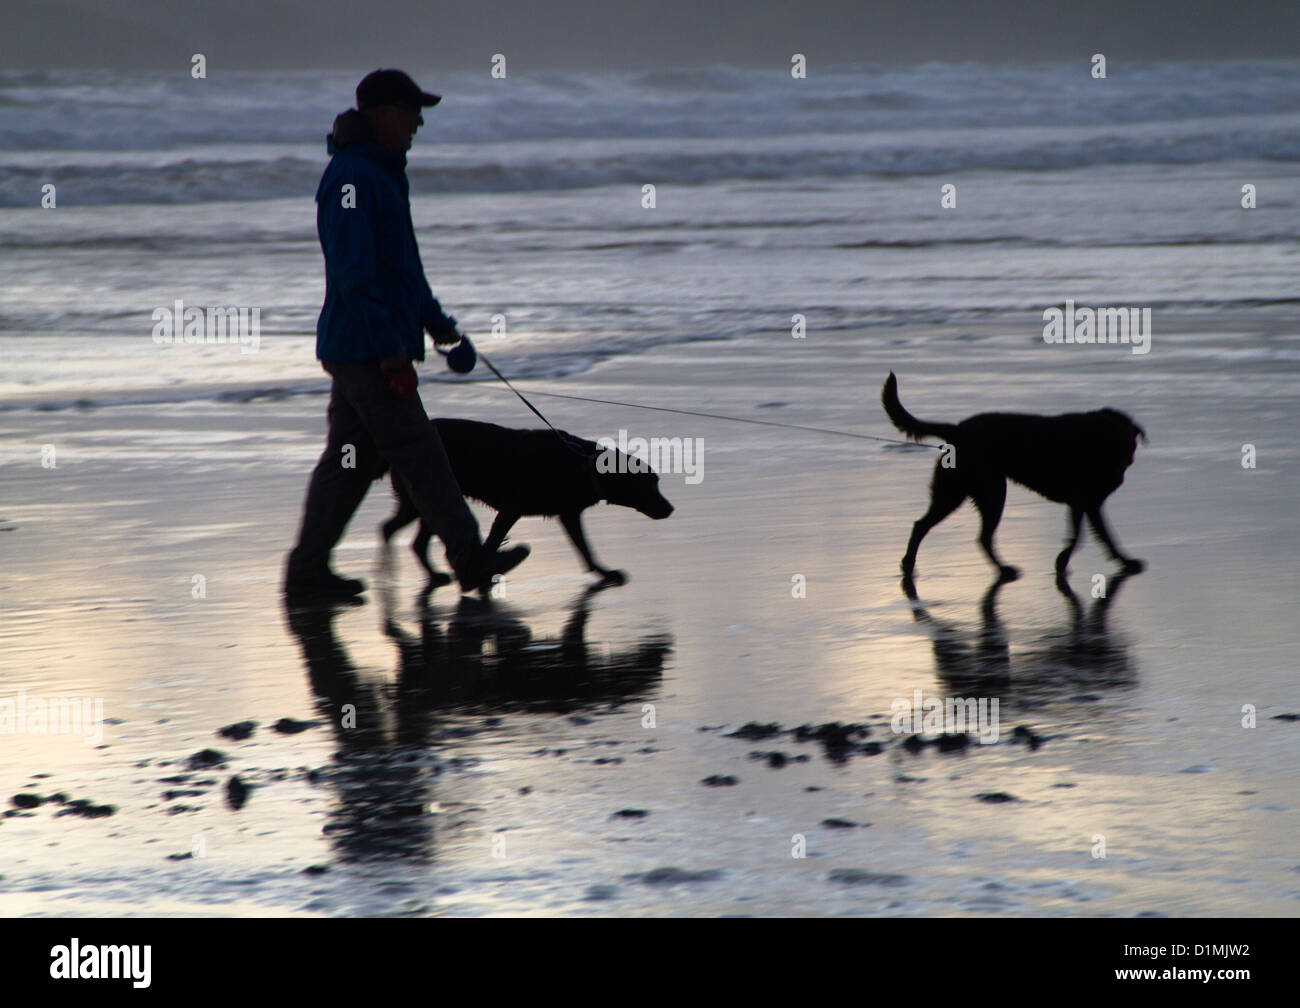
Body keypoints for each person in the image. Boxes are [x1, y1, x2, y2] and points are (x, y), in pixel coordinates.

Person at [284, 69, 528, 602]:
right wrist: (390, 349)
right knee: (421, 453)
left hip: (365, 347)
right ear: (381, 112)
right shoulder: (352, 179)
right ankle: (470, 559)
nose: (419, 121)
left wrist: (443, 331)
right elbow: (354, 275)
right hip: (365, 350)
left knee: (346, 465)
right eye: (411, 110)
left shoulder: (382, 172)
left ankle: (307, 572)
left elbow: (404, 272)